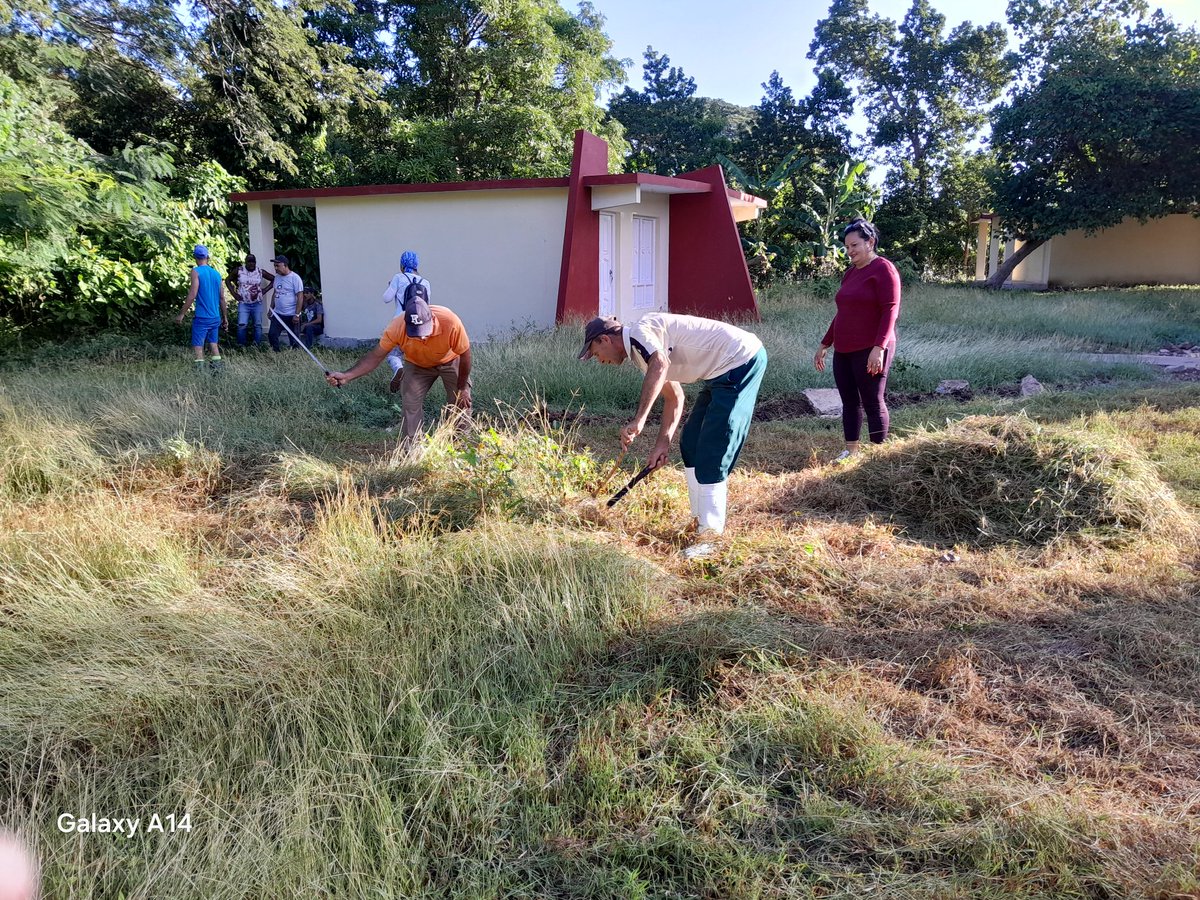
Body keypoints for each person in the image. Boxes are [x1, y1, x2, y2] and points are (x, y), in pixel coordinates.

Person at [578, 312, 768, 560]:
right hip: (719, 373)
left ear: (604, 339)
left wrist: (639, 420)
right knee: (690, 443)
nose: (597, 359)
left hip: (741, 360)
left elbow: (660, 364)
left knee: (713, 448)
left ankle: (710, 540)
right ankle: (698, 520)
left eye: (594, 352)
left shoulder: (639, 334)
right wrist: (661, 445)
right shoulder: (640, 352)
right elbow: (675, 397)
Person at [325, 293, 472, 443]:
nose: (421, 338)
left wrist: (462, 387)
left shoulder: (450, 321)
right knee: (410, 401)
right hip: (417, 364)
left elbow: (466, 356)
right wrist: (347, 375)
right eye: (416, 333)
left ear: (432, 318)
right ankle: (412, 449)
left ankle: (459, 445)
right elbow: (375, 356)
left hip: (450, 359)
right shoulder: (397, 326)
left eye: (424, 330)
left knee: (461, 400)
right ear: (407, 324)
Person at [813, 219, 901, 461]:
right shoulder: (850, 273)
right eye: (847, 247)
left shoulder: (884, 269)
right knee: (849, 401)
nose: (850, 251)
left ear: (870, 242)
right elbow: (843, 312)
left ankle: (877, 455)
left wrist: (879, 347)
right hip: (844, 348)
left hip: (871, 347)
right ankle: (851, 451)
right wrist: (825, 343)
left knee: (872, 400)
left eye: (855, 245)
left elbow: (890, 310)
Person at [174, 244, 228, 373]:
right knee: (213, 344)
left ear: (195, 257)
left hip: (202, 317)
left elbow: (192, 295)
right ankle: (218, 371)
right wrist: (225, 317)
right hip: (215, 317)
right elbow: (222, 298)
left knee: (198, 346)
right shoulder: (216, 273)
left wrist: (181, 314)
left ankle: (200, 373)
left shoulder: (196, 272)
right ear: (208, 257)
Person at [382, 250, 430, 393]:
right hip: (419, 326)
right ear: (417, 265)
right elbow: (427, 306)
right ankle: (414, 387)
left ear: (402, 265)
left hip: (399, 323)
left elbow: (386, 298)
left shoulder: (398, 277)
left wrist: (391, 286)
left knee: (392, 354)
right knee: (413, 356)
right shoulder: (426, 282)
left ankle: (398, 368)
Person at [262, 255, 304, 351]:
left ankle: (295, 356)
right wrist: (271, 309)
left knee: (294, 339)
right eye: (275, 266)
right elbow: (275, 293)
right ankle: (277, 354)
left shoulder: (295, 278)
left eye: (277, 266)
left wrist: (297, 314)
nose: (276, 268)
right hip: (278, 314)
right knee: (272, 335)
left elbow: (300, 297)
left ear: (285, 265)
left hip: (291, 314)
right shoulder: (277, 278)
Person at [234, 253, 273, 347]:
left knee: (258, 325)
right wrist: (234, 293)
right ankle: (241, 346)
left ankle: (256, 346)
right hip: (243, 303)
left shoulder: (260, 271)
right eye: (249, 261)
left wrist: (264, 290)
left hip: (257, 303)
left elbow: (274, 279)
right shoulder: (239, 271)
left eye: (253, 261)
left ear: (255, 262)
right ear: (245, 262)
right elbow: (228, 280)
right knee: (242, 325)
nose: (251, 264)